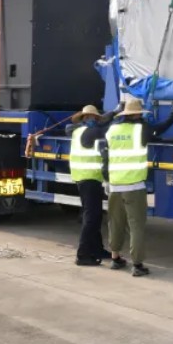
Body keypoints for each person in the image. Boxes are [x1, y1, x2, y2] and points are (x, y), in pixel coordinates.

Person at [105, 97, 173, 277]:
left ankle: (115, 258)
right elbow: (163, 126)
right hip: (134, 186)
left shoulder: (112, 129)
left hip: (115, 185)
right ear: (137, 114)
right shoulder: (142, 129)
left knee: (115, 223)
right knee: (136, 225)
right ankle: (137, 265)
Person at [66, 104, 115, 266]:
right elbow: (106, 129)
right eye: (93, 117)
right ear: (87, 118)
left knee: (95, 215)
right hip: (89, 178)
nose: (95, 120)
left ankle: (97, 249)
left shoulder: (77, 131)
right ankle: (83, 255)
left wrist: (113, 112)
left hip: (84, 177)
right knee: (91, 217)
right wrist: (115, 115)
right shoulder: (92, 132)